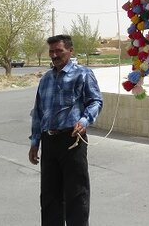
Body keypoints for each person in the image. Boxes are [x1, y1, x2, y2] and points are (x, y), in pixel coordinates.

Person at [29, 34, 103, 225]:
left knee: (76, 194)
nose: (54, 55)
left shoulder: (83, 74)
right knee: (49, 195)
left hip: (72, 141)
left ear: (70, 51)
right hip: (49, 142)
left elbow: (95, 101)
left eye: (59, 51)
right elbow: (38, 112)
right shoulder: (45, 79)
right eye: (51, 51)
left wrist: (85, 120)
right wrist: (35, 143)